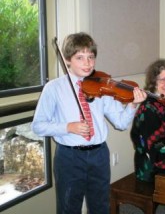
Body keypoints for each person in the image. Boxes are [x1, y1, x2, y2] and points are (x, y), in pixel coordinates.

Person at [31, 32, 146, 214]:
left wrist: (132, 104)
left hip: (99, 154)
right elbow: (38, 125)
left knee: (101, 206)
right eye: (80, 58)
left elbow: (121, 123)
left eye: (91, 57)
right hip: (69, 157)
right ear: (67, 60)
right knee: (68, 207)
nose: (87, 63)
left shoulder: (101, 85)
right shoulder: (53, 88)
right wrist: (68, 127)